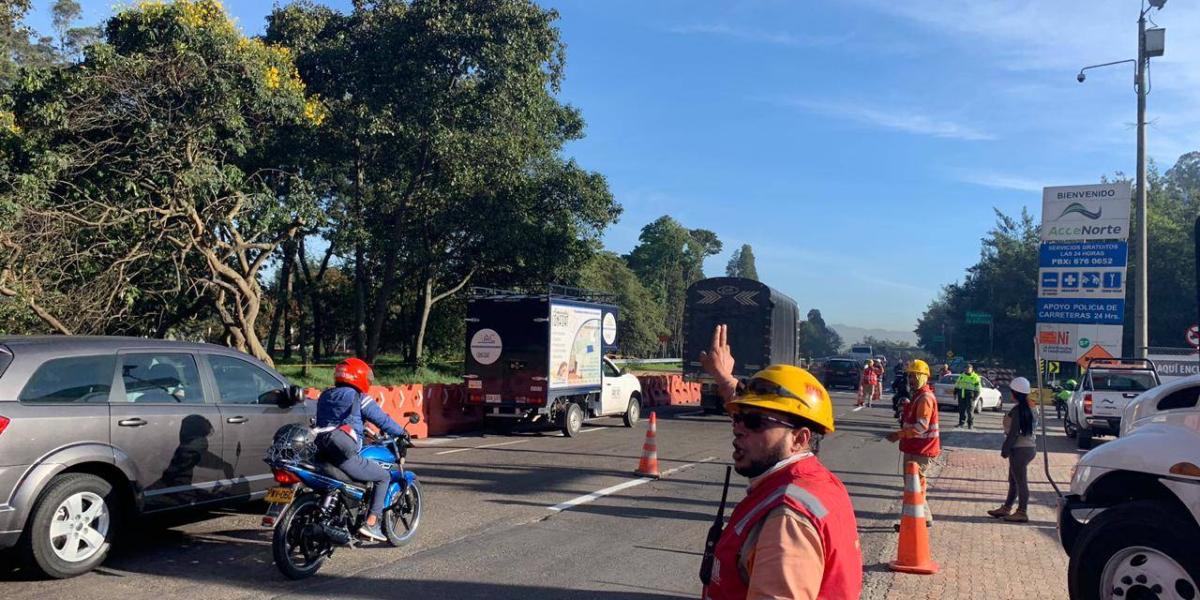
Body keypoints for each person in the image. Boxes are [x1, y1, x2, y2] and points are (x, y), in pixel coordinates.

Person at [699, 324, 862, 600]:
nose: (738, 428)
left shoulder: (788, 520)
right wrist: (724, 377)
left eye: (753, 422)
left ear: (799, 439)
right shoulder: (814, 482)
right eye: (737, 417)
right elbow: (758, 421)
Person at [314, 357, 409, 542]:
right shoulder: (359, 397)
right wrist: (403, 433)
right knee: (383, 477)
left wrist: (363, 428)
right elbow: (383, 420)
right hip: (343, 453)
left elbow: (337, 421)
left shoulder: (325, 395)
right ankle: (371, 524)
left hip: (323, 449)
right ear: (358, 376)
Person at [886, 359, 939, 527]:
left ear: (924, 377)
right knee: (915, 486)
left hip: (921, 449)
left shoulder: (924, 397)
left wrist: (899, 434)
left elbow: (921, 426)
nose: (911, 380)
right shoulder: (918, 396)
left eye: (915, 376)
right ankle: (924, 518)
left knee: (914, 487)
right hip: (916, 448)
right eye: (910, 376)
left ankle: (913, 523)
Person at [988, 377, 1036, 523]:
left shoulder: (1018, 410)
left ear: (1015, 393)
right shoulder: (1031, 407)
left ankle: (1022, 512)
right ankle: (1007, 507)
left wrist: (1005, 449)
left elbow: (1014, 432)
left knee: (1020, 481)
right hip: (1028, 448)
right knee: (1014, 480)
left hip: (1019, 449)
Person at [954, 363, 982, 429]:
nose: (967, 370)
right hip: (962, 395)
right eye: (966, 368)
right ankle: (961, 423)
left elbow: (978, 388)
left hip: (970, 396)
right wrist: (955, 393)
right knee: (961, 410)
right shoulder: (962, 375)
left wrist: (975, 396)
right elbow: (957, 384)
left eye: (968, 368)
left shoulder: (975, 377)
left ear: (971, 369)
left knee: (970, 411)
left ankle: (970, 424)